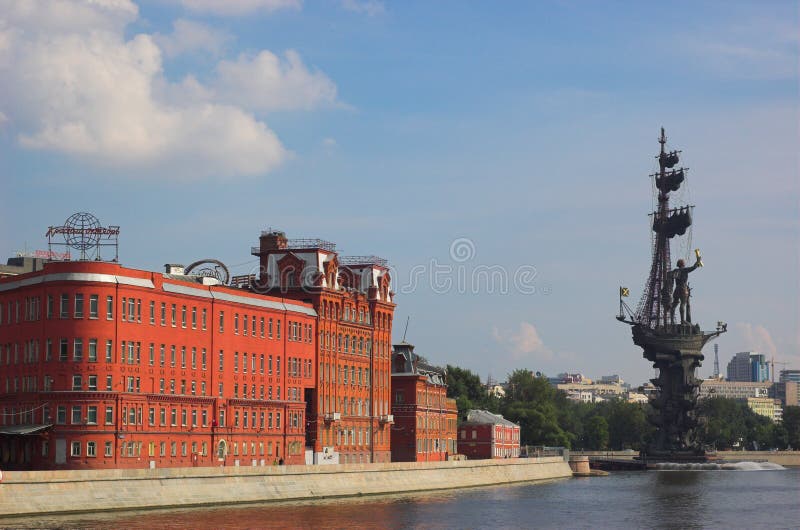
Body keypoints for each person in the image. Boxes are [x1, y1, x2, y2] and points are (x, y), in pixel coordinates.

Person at [669, 257, 701, 324]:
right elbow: (693, 267)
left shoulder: (675, 270)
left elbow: (670, 275)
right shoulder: (685, 270)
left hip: (676, 289)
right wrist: (698, 261)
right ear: (683, 264)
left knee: (674, 304)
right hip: (683, 289)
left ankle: (672, 321)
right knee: (683, 304)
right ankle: (682, 320)